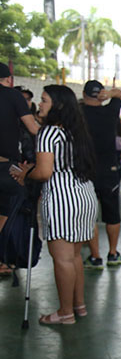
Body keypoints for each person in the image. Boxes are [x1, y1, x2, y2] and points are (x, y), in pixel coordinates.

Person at [11, 85, 98, 324]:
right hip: (85, 195)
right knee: (75, 257)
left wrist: (26, 174)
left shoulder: (48, 133)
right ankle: (79, 306)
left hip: (62, 200)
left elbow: (45, 172)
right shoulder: (75, 131)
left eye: (44, 100)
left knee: (62, 259)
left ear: (57, 105)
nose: (39, 104)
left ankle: (64, 312)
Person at [81, 80, 121, 269]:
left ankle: (95, 256)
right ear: (101, 94)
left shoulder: (79, 114)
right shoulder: (110, 111)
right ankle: (113, 254)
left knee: (90, 215)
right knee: (112, 213)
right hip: (109, 170)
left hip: (85, 170)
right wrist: (111, 94)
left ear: (84, 94)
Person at [0, 62, 40, 236]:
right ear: (8, 79)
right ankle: (4, 258)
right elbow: (33, 129)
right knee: (14, 209)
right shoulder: (13, 96)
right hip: (7, 166)